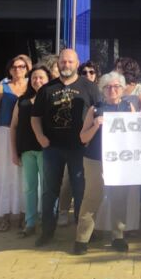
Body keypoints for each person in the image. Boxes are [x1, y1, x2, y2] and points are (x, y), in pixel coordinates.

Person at [31, 48, 101, 247]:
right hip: (52, 148)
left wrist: (92, 138)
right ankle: (47, 232)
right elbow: (35, 117)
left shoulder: (89, 87)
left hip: (80, 148)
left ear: (77, 63)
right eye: (63, 61)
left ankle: (83, 233)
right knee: (50, 191)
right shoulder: (47, 89)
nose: (66, 65)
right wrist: (40, 137)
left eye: (70, 62)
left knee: (81, 191)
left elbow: (100, 113)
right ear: (58, 63)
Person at [74, 71, 134, 255]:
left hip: (119, 161)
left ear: (122, 89)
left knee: (119, 197)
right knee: (92, 197)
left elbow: (137, 134)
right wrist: (95, 125)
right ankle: (82, 239)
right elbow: (83, 137)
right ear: (102, 89)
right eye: (108, 87)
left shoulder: (128, 107)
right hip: (95, 159)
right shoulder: (95, 109)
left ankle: (118, 237)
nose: (112, 90)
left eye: (116, 86)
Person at [0, 54, 31, 232]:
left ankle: (26, 215)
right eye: (14, 67)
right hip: (4, 134)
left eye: (21, 66)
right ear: (9, 70)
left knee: (25, 175)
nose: (18, 70)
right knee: (5, 174)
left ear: (27, 69)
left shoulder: (33, 85)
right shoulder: (1, 88)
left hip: (27, 134)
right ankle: (5, 216)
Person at [10, 65, 49, 237]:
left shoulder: (52, 99)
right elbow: (13, 126)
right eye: (34, 77)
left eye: (41, 77)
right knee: (30, 188)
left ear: (48, 80)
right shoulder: (22, 100)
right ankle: (30, 223)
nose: (37, 81)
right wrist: (14, 152)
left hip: (46, 150)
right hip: (27, 150)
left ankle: (48, 222)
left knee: (47, 188)